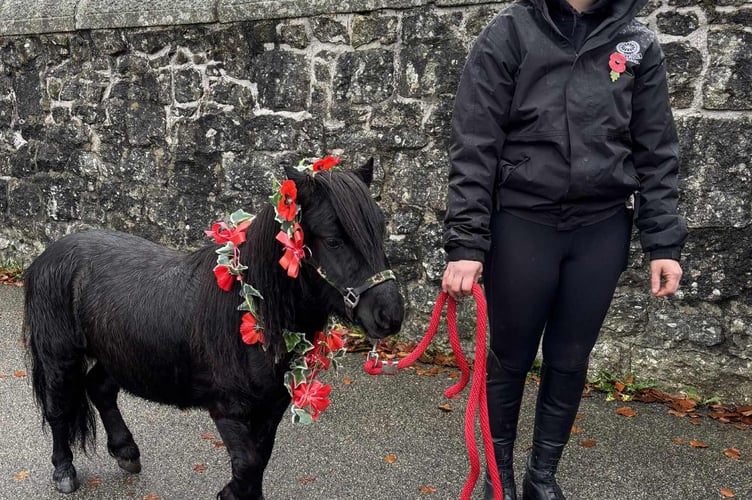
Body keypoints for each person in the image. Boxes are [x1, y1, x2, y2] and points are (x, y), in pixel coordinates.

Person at [441, 0, 688, 499]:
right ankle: (500, 475)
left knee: (571, 359)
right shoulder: (509, 33)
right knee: (509, 357)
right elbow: (475, 142)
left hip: (600, 228)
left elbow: (657, 149)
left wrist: (663, 242)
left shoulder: (636, 43)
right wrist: (466, 242)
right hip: (522, 222)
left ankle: (542, 477)